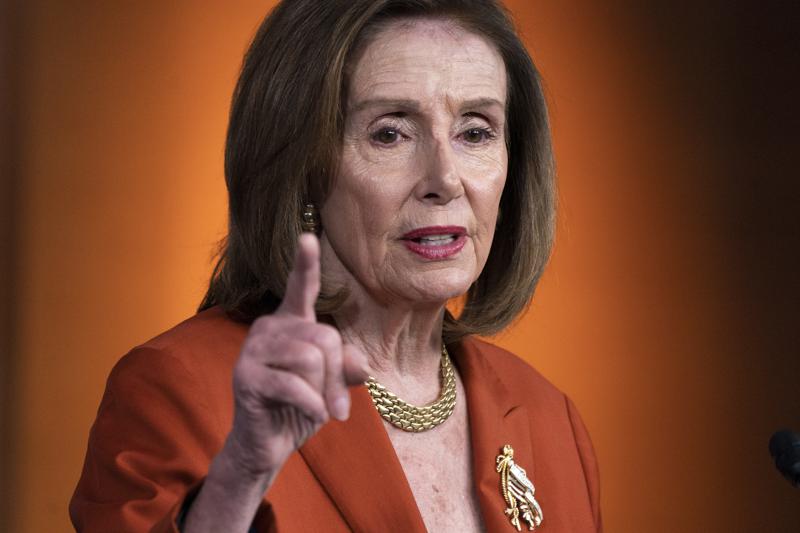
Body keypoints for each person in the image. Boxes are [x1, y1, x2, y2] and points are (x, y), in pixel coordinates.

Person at [70, 1, 602, 531]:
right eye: (390, 133)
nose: (444, 177)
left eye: (476, 131)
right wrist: (238, 478)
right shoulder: (179, 389)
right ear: (302, 169)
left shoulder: (549, 418)